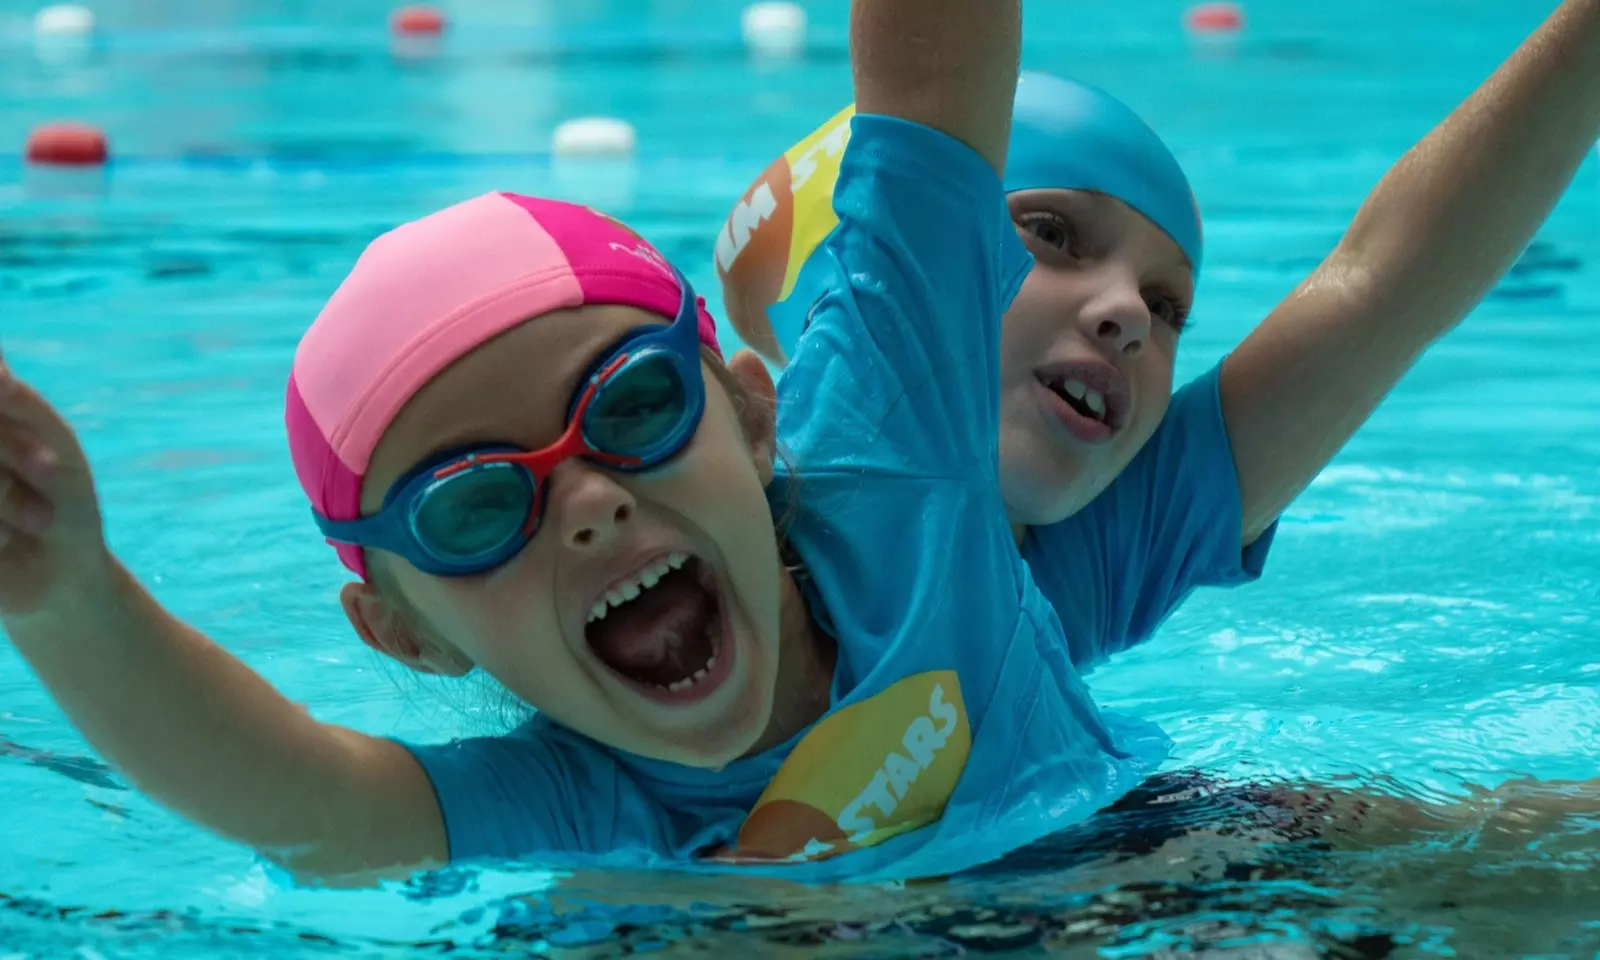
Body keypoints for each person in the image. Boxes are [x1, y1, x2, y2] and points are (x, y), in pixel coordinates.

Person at [0, 0, 1170, 885]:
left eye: (631, 407)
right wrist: (67, 597)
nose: (589, 503)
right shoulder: (572, 803)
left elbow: (930, 82)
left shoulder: (896, 478)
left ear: (752, 417)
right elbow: (306, 803)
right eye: (470, 507)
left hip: (1164, 872)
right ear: (406, 633)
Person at [716, 0, 1600, 671]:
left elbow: (1382, 287)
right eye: (1053, 234)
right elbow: (931, 72)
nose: (1131, 314)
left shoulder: (1087, 561)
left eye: (1169, 306)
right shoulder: (810, 474)